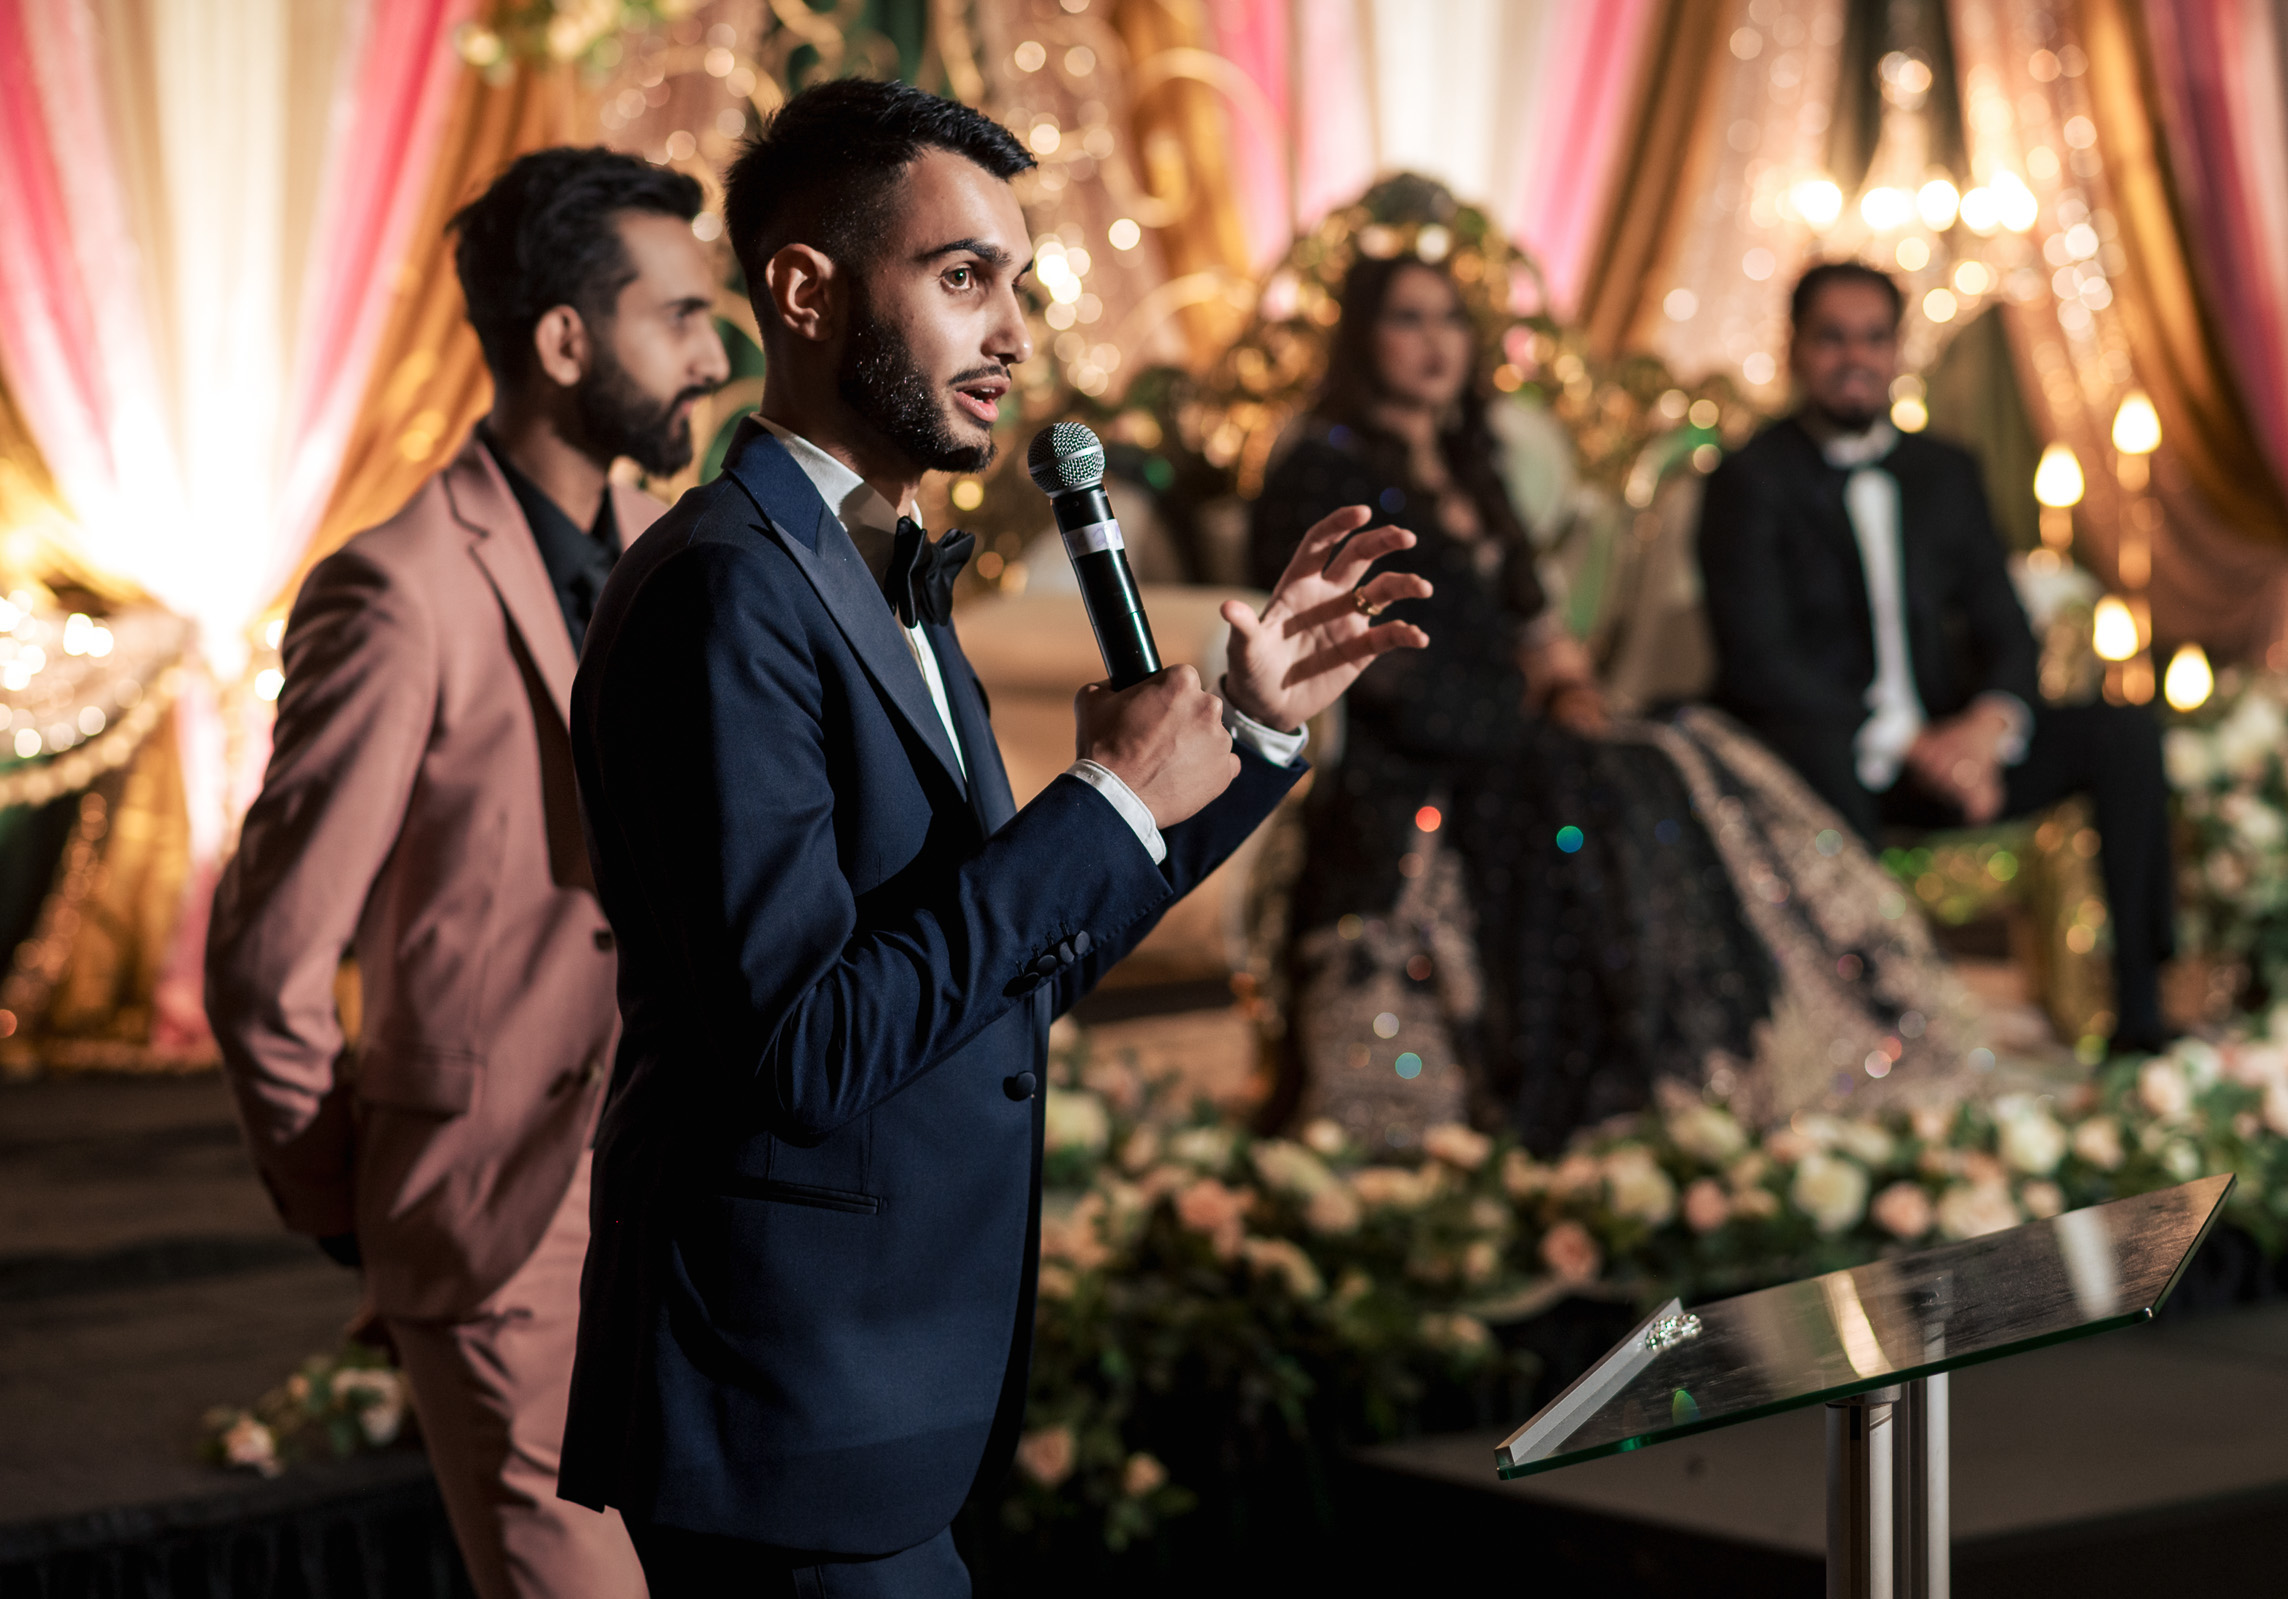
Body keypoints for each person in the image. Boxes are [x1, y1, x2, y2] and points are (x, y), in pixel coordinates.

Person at [555, 81, 1426, 1598]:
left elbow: (1005, 965)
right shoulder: (725, 589)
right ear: (810, 291)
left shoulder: (882, 574)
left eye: (1018, 284)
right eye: (963, 278)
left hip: (891, 1391)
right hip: (789, 1402)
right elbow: (805, 1044)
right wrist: (1097, 801)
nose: (1014, 332)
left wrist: (1251, 734)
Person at [206, 146, 731, 1599]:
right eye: (680, 315)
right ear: (566, 339)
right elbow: (269, 958)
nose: (713, 353)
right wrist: (354, 1196)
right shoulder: (396, 586)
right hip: (502, 1211)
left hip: (691, 1204)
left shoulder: (683, 561)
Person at [1249, 247, 1978, 1151]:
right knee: (1588, 784)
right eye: (1406, 319)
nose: (1433, 343)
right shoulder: (1323, 470)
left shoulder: (1474, 464)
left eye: (1449, 320)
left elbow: (1531, 623)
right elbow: (1346, 650)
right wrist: (1519, 707)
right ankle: (1603, 1080)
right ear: (1363, 339)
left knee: (1675, 752)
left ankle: (1720, 1052)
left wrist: (1564, 682)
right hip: (1420, 743)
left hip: (1517, 723)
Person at [1698, 261, 2174, 1052]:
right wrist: (1913, 742)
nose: (1856, 357)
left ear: (1898, 351)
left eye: (1874, 338)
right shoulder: (1748, 479)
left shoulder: (1945, 472)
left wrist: (1987, 727)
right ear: (1795, 350)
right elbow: (1759, 660)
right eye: (1833, 338)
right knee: (1804, 740)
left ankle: (2141, 1014)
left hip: (1952, 755)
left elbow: (2005, 627)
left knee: (2124, 730)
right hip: (1828, 758)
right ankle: (1880, 1032)